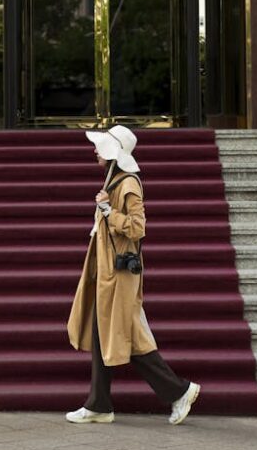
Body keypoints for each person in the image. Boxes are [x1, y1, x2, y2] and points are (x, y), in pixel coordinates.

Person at [66, 124, 200, 425]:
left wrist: (107, 212)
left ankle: (178, 391)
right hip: (108, 273)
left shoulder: (127, 184)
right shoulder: (114, 182)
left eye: (100, 147)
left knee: (127, 337)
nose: (94, 150)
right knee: (105, 334)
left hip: (118, 275)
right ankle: (99, 403)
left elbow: (138, 228)